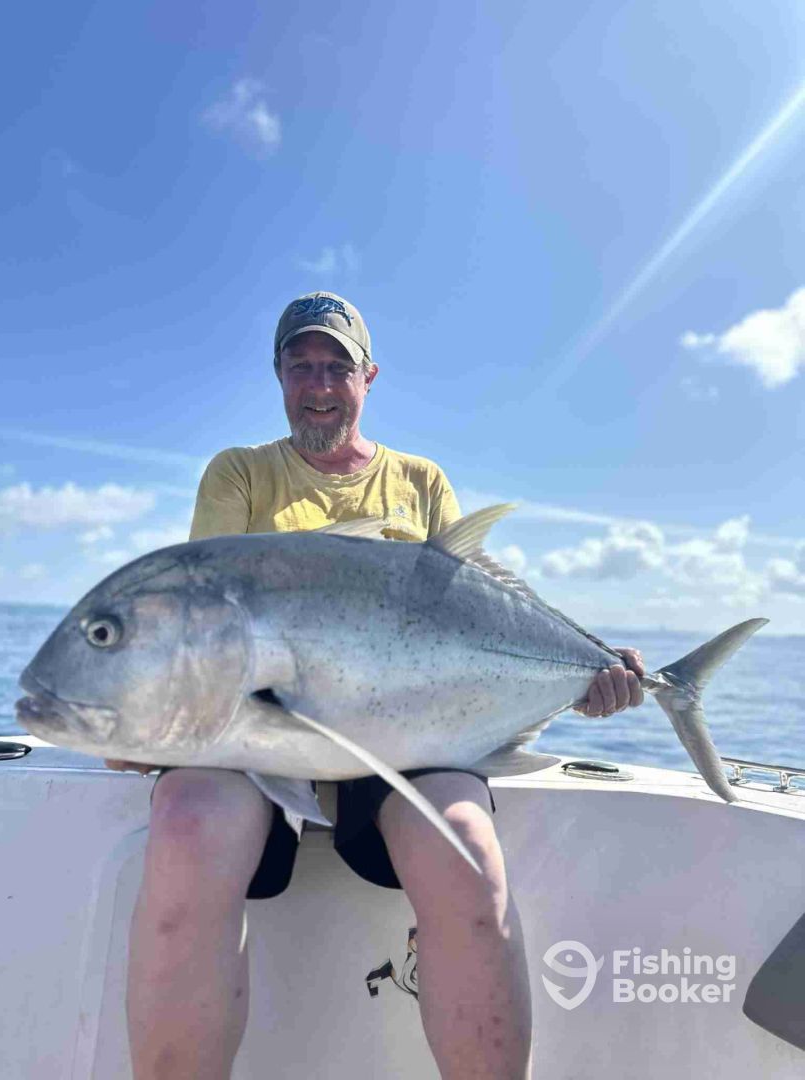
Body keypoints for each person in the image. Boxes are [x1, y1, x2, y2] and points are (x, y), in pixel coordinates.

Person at [108, 291, 645, 1080]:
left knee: (466, 850)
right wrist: (138, 717)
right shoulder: (241, 473)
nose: (319, 385)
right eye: (301, 366)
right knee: (187, 823)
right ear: (278, 375)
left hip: (402, 731)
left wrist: (587, 668)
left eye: (338, 367)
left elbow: (474, 617)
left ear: (369, 377)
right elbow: (209, 618)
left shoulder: (420, 482)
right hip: (261, 732)